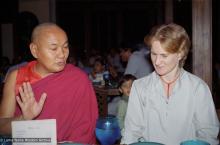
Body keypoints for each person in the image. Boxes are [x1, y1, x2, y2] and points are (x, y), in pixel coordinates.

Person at [121, 23, 219, 145]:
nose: (157, 61)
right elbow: (131, 133)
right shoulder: (139, 87)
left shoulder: (198, 88)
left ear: (180, 54)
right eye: (154, 54)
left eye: (164, 55)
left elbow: (208, 135)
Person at [0, 23, 98, 144]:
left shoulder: (78, 78)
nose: (62, 54)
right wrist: (23, 119)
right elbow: (2, 127)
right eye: (54, 48)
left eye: (65, 47)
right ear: (35, 50)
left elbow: (85, 131)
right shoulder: (16, 77)